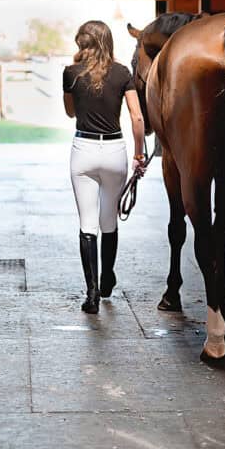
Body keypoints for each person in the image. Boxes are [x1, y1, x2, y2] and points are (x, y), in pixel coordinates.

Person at [63, 20, 145, 314]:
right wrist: (139, 156)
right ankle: (108, 278)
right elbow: (137, 118)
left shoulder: (71, 73)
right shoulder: (123, 73)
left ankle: (92, 294)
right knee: (108, 220)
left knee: (87, 224)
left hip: (83, 150)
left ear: (82, 44)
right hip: (114, 151)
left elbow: (71, 112)